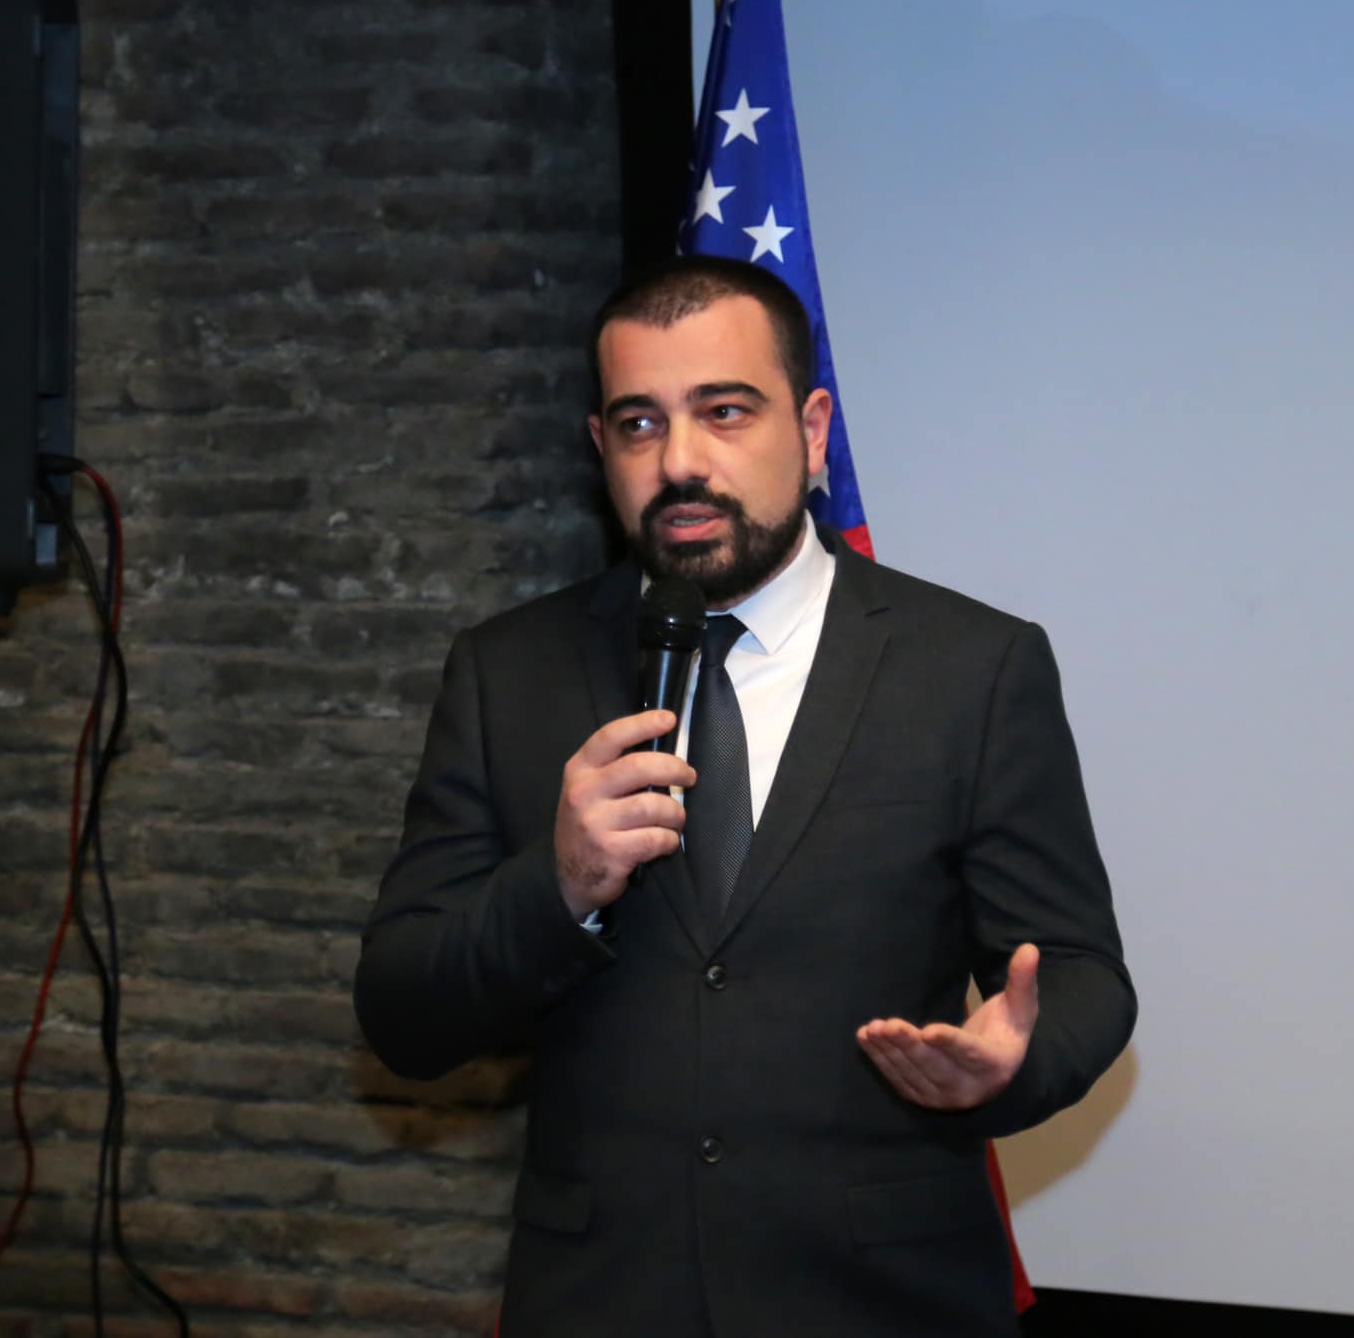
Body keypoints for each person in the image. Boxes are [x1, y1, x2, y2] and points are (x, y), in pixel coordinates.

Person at [353, 255, 1134, 1337]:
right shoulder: (509, 670)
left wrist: (1011, 1064)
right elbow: (402, 1013)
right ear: (600, 449)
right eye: (639, 423)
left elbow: (1082, 973)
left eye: (724, 411)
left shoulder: (971, 666)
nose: (679, 461)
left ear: (811, 431)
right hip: (603, 1301)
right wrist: (559, 883)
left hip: (883, 1302)